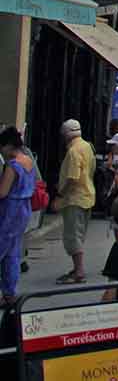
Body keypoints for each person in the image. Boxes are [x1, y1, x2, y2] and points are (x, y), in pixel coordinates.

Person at [53, 119, 95, 284]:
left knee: (73, 236)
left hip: (75, 198)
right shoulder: (87, 147)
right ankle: (77, 269)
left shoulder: (73, 151)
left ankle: (79, 271)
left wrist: (59, 194)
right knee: (79, 234)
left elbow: (72, 178)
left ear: (66, 135)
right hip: (87, 195)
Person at [0, 127, 37, 304]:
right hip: (24, 210)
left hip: (9, 211)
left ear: (8, 146)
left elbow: (2, 192)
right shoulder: (28, 161)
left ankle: (7, 291)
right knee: (13, 253)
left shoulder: (12, 165)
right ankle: (9, 292)